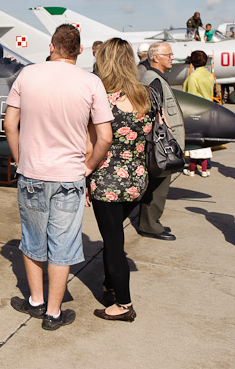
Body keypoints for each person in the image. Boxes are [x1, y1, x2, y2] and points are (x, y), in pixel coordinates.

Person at [6, 24, 113, 331]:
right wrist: (88, 166)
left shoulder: (27, 75)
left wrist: (19, 159)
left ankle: (36, 301)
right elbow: (104, 136)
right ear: (79, 50)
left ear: (51, 47)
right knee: (63, 243)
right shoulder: (91, 82)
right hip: (70, 175)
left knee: (33, 238)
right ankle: (54, 313)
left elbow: (11, 124)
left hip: (32, 172)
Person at [87, 38, 151, 322]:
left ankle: (123, 305)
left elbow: (94, 142)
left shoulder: (103, 98)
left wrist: (87, 172)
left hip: (108, 181)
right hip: (137, 180)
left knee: (113, 242)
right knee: (114, 236)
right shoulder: (146, 95)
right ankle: (110, 287)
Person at [137, 42, 184, 241]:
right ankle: (150, 225)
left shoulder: (155, 78)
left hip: (162, 143)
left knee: (158, 186)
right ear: (155, 58)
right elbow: (151, 112)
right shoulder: (153, 80)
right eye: (169, 55)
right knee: (158, 186)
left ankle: (151, 222)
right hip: (161, 146)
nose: (172, 58)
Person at [182, 51, 214, 177]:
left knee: (194, 144)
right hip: (208, 110)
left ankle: (192, 168)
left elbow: (190, 99)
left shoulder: (193, 77)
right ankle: (205, 166)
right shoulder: (209, 75)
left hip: (196, 114)